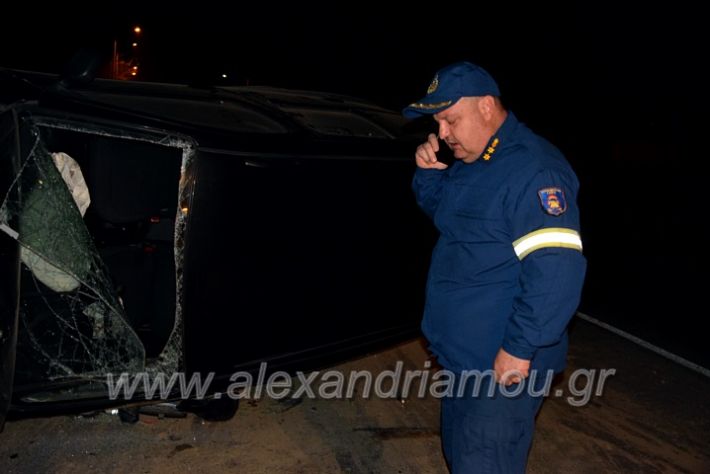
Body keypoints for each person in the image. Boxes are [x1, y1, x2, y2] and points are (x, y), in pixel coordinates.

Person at [403, 61, 586, 473]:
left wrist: (519, 350)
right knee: (461, 455)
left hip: (499, 369)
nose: (442, 134)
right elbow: (451, 219)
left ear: (487, 107)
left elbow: (556, 270)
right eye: (438, 123)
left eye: (450, 120)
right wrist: (428, 176)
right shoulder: (477, 160)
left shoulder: (533, 170)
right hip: (465, 361)